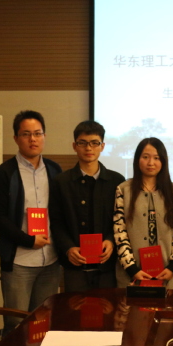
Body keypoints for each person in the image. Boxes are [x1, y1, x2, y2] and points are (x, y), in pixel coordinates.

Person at [0, 110, 62, 333]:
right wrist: (28, 240)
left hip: (50, 260)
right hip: (19, 262)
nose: (33, 139)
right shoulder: (5, 172)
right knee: (16, 324)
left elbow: (60, 213)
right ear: (16, 138)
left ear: (44, 136)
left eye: (37, 133)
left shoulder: (54, 170)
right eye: (26, 134)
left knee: (44, 322)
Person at [51, 121, 125, 291]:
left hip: (107, 265)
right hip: (74, 266)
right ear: (74, 146)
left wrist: (111, 241)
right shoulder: (61, 182)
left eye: (94, 143)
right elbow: (56, 221)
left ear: (102, 146)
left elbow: (121, 220)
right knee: (75, 307)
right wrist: (68, 248)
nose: (88, 148)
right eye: (82, 143)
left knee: (108, 307)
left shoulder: (117, 181)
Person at [114, 137, 173, 289]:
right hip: (133, 274)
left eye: (156, 158)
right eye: (145, 157)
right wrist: (132, 269)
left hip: (170, 274)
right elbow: (120, 232)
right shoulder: (123, 190)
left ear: (163, 161)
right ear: (137, 160)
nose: (151, 163)